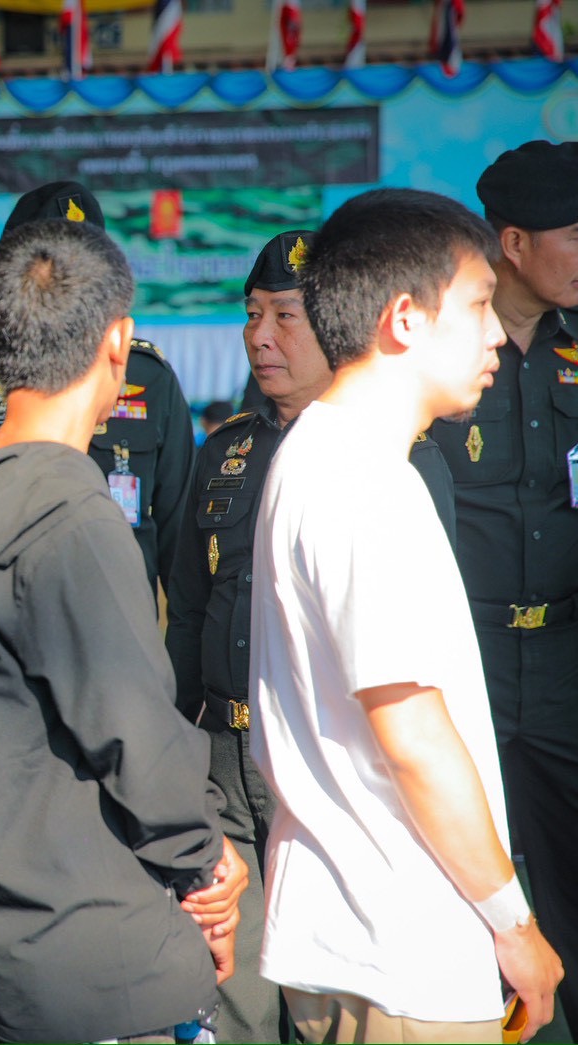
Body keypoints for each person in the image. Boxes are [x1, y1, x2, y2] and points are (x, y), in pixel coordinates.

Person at [0, 217, 246, 1044]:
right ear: (117, 342)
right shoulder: (71, 518)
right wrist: (208, 861)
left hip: (25, 937)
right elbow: (136, 739)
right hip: (109, 952)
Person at [250, 188, 564, 1043]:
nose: (495, 333)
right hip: (398, 943)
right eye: (476, 305)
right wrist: (514, 922)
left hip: (371, 931)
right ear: (402, 319)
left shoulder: (331, 455)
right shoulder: (360, 479)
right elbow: (413, 736)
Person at [165, 230, 456, 1043]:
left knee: (330, 996)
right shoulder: (222, 451)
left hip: (332, 759)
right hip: (222, 763)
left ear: (333, 323)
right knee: (229, 986)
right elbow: (185, 610)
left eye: (283, 316)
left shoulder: (399, 455)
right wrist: (179, 744)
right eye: (250, 313)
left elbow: (426, 637)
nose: (259, 335)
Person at [429, 139, 578, 1024]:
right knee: (464, 885)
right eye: (575, 234)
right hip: (466, 664)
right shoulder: (445, 350)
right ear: (513, 244)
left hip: (562, 660)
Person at [0, 180, 195, 597]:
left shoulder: (146, 377)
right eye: (50, 269)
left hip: (119, 614)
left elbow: (181, 541)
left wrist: (184, 640)